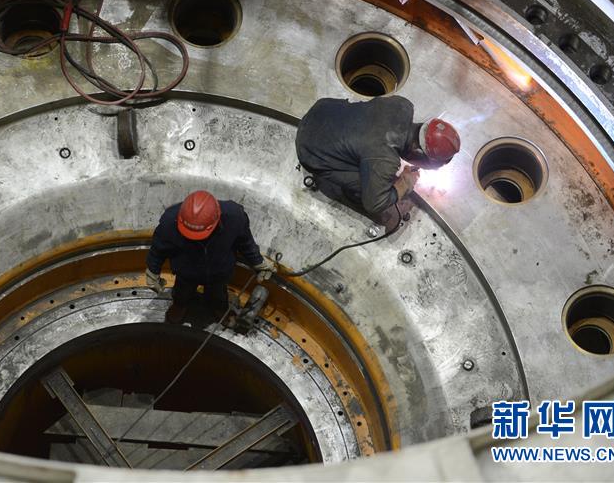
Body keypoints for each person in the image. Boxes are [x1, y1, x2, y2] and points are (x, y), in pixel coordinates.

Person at [295, 96, 460, 220]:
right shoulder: (385, 160)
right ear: (417, 151)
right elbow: (375, 204)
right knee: (377, 188)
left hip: (323, 108)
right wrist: (404, 184)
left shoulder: (402, 105)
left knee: (365, 154)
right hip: (309, 148)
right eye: (426, 164)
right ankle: (353, 196)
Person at [145, 190, 275, 324]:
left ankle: (219, 308)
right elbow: (159, 249)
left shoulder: (234, 218)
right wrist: (152, 271)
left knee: (218, 294)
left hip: (219, 271)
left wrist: (258, 262)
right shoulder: (169, 222)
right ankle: (179, 305)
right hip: (186, 271)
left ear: (216, 220)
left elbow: (245, 242)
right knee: (182, 292)